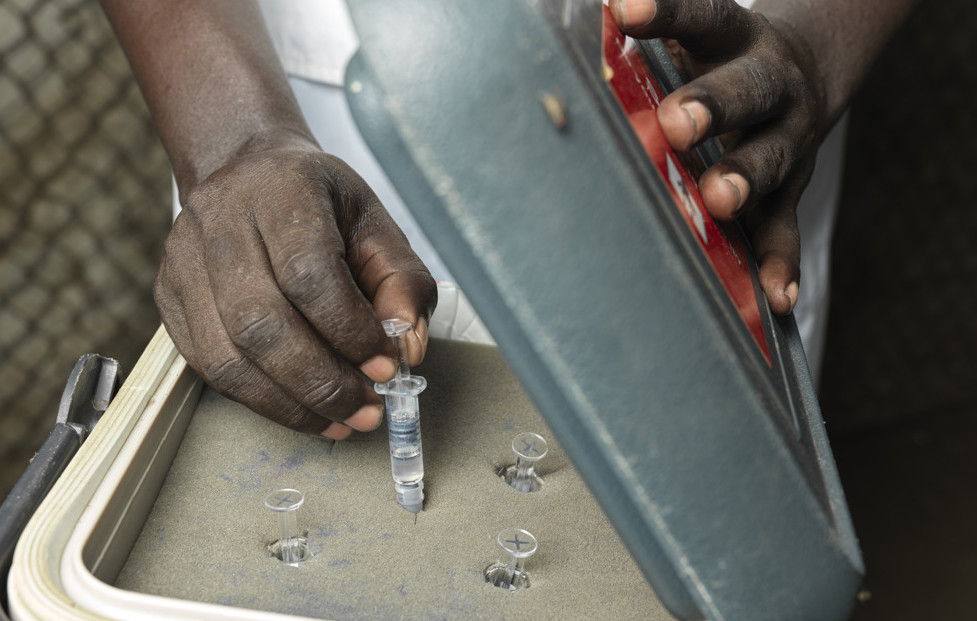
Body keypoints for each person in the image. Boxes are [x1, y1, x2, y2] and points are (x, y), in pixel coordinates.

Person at [98, 0, 918, 438]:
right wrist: (232, 136)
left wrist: (814, 48)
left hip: (727, 80)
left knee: (711, 529)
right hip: (305, 96)